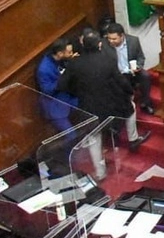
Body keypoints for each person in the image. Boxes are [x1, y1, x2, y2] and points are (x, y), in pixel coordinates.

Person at [56, 31, 149, 176]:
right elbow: (120, 80)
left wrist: (77, 92)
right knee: (131, 108)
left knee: (93, 137)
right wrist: (130, 91)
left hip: (87, 106)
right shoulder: (108, 60)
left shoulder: (74, 64)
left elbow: (62, 85)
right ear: (99, 44)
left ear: (83, 45)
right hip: (111, 103)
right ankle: (133, 139)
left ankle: (100, 172)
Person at [102, 23, 155, 115]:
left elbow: (140, 57)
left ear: (122, 36)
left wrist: (138, 66)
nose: (111, 41)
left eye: (114, 39)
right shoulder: (104, 45)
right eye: (109, 38)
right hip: (118, 74)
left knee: (145, 76)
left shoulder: (133, 41)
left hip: (132, 71)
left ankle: (145, 102)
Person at [36, 38, 79, 137]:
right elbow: (47, 90)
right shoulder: (44, 69)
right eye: (69, 52)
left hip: (69, 99)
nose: (72, 54)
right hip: (55, 107)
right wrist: (62, 80)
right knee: (72, 136)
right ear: (60, 54)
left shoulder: (64, 60)